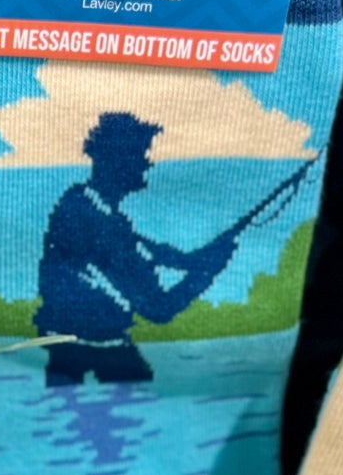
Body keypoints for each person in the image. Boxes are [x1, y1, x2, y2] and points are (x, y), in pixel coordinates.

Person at [34, 113, 240, 386]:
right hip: (95, 353)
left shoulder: (80, 203)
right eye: (140, 154)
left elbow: (146, 250)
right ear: (118, 161)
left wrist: (198, 260)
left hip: (68, 346)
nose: (146, 162)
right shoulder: (98, 223)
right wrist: (206, 273)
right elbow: (158, 309)